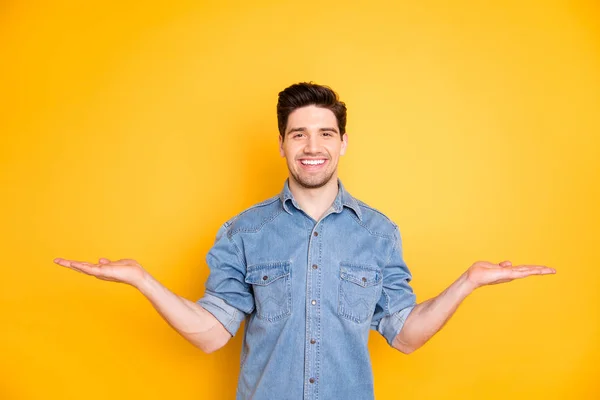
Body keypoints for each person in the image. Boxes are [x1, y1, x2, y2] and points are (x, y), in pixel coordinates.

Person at [54, 82, 556, 400]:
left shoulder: (378, 233)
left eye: (325, 133)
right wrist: (142, 280)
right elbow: (211, 334)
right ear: (281, 144)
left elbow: (404, 336)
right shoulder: (242, 232)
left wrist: (467, 282)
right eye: (298, 134)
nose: (312, 146)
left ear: (343, 142)